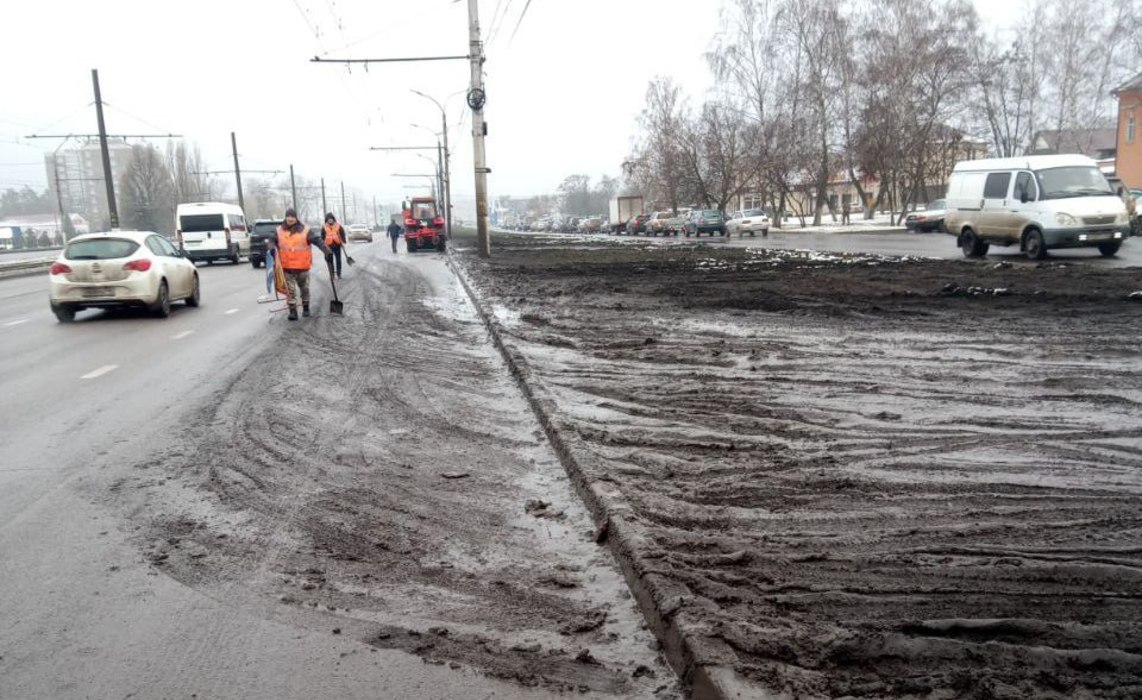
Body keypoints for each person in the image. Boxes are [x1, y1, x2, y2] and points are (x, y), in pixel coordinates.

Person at [269, 208, 332, 321]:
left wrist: (326, 251)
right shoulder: (279, 230)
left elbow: (317, 240)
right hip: (287, 267)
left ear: (296, 218)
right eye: (288, 216)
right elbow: (272, 240)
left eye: (292, 216)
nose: (290, 218)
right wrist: (271, 247)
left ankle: (306, 308)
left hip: (302, 267)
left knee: (304, 289)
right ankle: (293, 311)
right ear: (286, 217)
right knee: (290, 291)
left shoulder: (305, 230)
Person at [323, 213, 347, 279]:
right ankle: (332, 274)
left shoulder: (338, 226)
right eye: (329, 219)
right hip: (328, 246)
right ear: (326, 220)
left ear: (333, 219)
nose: (330, 220)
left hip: (337, 245)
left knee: (338, 260)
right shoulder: (324, 227)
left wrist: (343, 241)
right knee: (330, 261)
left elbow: (342, 233)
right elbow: (322, 237)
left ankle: (339, 274)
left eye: (331, 219)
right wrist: (323, 246)